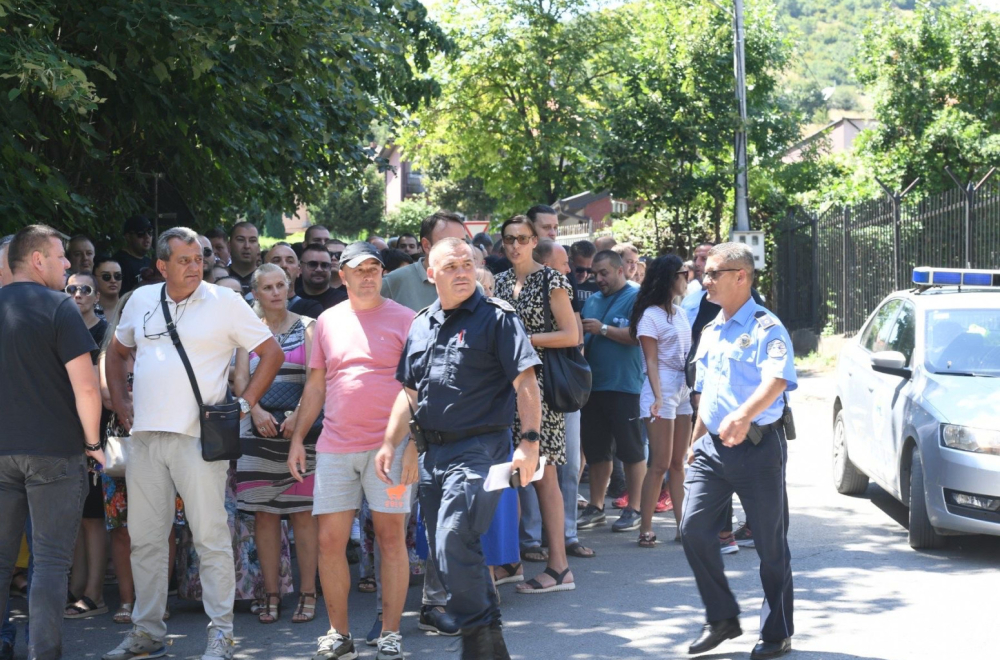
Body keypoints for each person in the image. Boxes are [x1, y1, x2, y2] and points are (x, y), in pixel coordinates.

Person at [102, 227, 284, 660]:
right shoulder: (143, 299)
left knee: (210, 538)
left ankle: (220, 634)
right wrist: (122, 402)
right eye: (184, 260)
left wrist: (244, 406)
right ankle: (147, 633)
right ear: (161, 265)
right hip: (145, 438)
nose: (195, 266)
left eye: (199, 258)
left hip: (200, 440)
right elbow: (116, 352)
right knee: (146, 538)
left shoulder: (225, 301)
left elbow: (271, 353)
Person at [382, 237, 542, 659]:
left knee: (455, 538)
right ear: (430, 273)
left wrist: (529, 443)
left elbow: (526, 382)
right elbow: (410, 392)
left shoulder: (497, 318)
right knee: (443, 550)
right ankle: (488, 642)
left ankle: (479, 639)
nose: (462, 272)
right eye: (450, 266)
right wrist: (389, 442)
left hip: (480, 449)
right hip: (433, 453)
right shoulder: (421, 323)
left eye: (468, 264)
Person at [287, 242, 417, 660]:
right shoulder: (325, 322)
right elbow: (316, 385)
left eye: (374, 269)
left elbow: (419, 388)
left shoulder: (407, 319)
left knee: (391, 538)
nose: (367, 276)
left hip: (391, 450)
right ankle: (339, 635)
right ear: (342, 276)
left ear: (382, 274)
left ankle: (391, 633)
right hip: (336, 449)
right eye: (358, 270)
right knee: (329, 542)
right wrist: (296, 439)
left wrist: (412, 443)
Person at [681, 242, 796, 660]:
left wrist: (744, 415)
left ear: (740, 276)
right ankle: (722, 617)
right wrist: (693, 443)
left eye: (713, 273)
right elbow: (705, 394)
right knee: (692, 530)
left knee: (769, 546)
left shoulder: (768, 328)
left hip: (757, 449)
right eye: (704, 273)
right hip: (711, 449)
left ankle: (776, 631)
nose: (704, 280)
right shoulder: (712, 328)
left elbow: (777, 380)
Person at [0, 225, 105, 660]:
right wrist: (94, 443)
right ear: (37, 259)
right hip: (55, 452)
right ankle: (44, 654)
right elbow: (86, 389)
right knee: (49, 563)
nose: (70, 264)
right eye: (62, 256)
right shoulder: (60, 306)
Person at [493, 219, 579, 595]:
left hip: (541, 387)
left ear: (535, 241)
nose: (515, 246)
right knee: (508, 473)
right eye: (509, 239)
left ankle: (559, 567)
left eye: (522, 239)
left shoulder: (552, 280)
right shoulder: (497, 282)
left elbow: (571, 334)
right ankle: (510, 559)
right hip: (503, 388)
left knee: (545, 476)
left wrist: (522, 340)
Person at [234, 264, 319, 625]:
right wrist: (254, 412)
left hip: (301, 432)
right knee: (264, 517)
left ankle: (308, 593)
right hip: (257, 432)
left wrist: (299, 416)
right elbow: (240, 378)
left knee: (303, 514)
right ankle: (270, 594)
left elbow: (318, 376)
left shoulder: (309, 326)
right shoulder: (246, 329)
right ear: (255, 293)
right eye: (267, 287)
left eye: (281, 285)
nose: (276, 292)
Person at [577, 250, 647, 533]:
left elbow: (639, 336)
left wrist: (603, 329)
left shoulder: (637, 296)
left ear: (621, 270)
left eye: (604, 273)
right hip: (593, 388)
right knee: (596, 451)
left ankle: (635, 508)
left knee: (631, 450)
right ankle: (596, 507)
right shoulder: (592, 300)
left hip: (624, 386)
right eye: (595, 274)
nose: (599, 279)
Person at [630, 256, 692, 547]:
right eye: (684, 273)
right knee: (660, 463)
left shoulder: (680, 313)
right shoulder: (650, 315)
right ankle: (645, 528)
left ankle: (683, 527)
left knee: (679, 462)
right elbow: (651, 362)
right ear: (670, 277)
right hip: (661, 387)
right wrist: (657, 396)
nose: (688, 278)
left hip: (682, 386)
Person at [63, 272, 111, 620]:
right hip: (64, 431)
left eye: (84, 289)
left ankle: (96, 591)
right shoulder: (60, 328)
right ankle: (76, 585)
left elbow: (101, 390)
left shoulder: (105, 334)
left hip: (98, 432)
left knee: (94, 515)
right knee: (77, 515)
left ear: (96, 297)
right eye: (71, 289)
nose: (77, 294)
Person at [381, 210, 468, 312]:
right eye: (449, 242)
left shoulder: (473, 286)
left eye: (462, 241)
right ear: (426, 245)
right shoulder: (393, 282)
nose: (458, 248)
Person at [291, 244, 347, 314]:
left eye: (324, 265)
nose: (319, 269)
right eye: (312, 264)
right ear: (300, 268)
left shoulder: (343, 302)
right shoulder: (292, 300)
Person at [113, 215, 154, 294]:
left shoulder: (149, 262)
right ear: (128, 237)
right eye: (141, 233)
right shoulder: (118, 263)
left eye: (150, 232)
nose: (147, 237)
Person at [227, 221, 261, 298]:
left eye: (252, 240)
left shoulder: (267, 278)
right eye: (240, 240)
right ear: (229, 246)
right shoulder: (220, 277)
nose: (247, 246)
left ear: (258, 248)